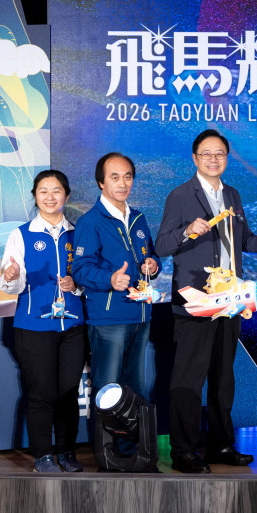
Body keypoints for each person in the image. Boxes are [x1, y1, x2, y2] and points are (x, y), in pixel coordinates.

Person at [155, 130, 257, 474]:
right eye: (207, 154)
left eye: (220, 153)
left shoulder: (232, 195)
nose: (213, 159)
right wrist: (187, 232)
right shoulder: (180, 196)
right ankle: (183, 451)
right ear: (195, 158)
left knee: (224, 377)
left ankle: (220, 444)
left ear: (227, 157)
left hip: (230, 300)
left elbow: (242, 240)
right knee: (189, 378)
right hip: (197, 301)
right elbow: (162, 245)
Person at [0, 170, 87, 473]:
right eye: (43, 191)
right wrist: (11, 276)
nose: (50, 197)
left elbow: (88, 276)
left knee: (68, 392)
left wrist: (76, 285)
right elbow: (11, 285)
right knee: (41, 393)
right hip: (34, 326)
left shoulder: (78, 233)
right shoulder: (21, 234)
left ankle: (67, 452)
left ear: (67, 195)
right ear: (35, 196)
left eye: (57, 191)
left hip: (72, 326)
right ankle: (42, 456)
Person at [72, 153, 159, 439]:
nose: (122, 183)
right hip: (109, 319)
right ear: (101, 182)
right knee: (108, 391)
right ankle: (107, 452)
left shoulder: (138, 218)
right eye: (115, 177)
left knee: (136, 388)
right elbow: (80, 270)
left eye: (128, 177)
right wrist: (110, 279)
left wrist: (153, 265)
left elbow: (149, 254)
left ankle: (136, 450)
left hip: (141, 314)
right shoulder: (91, 221)